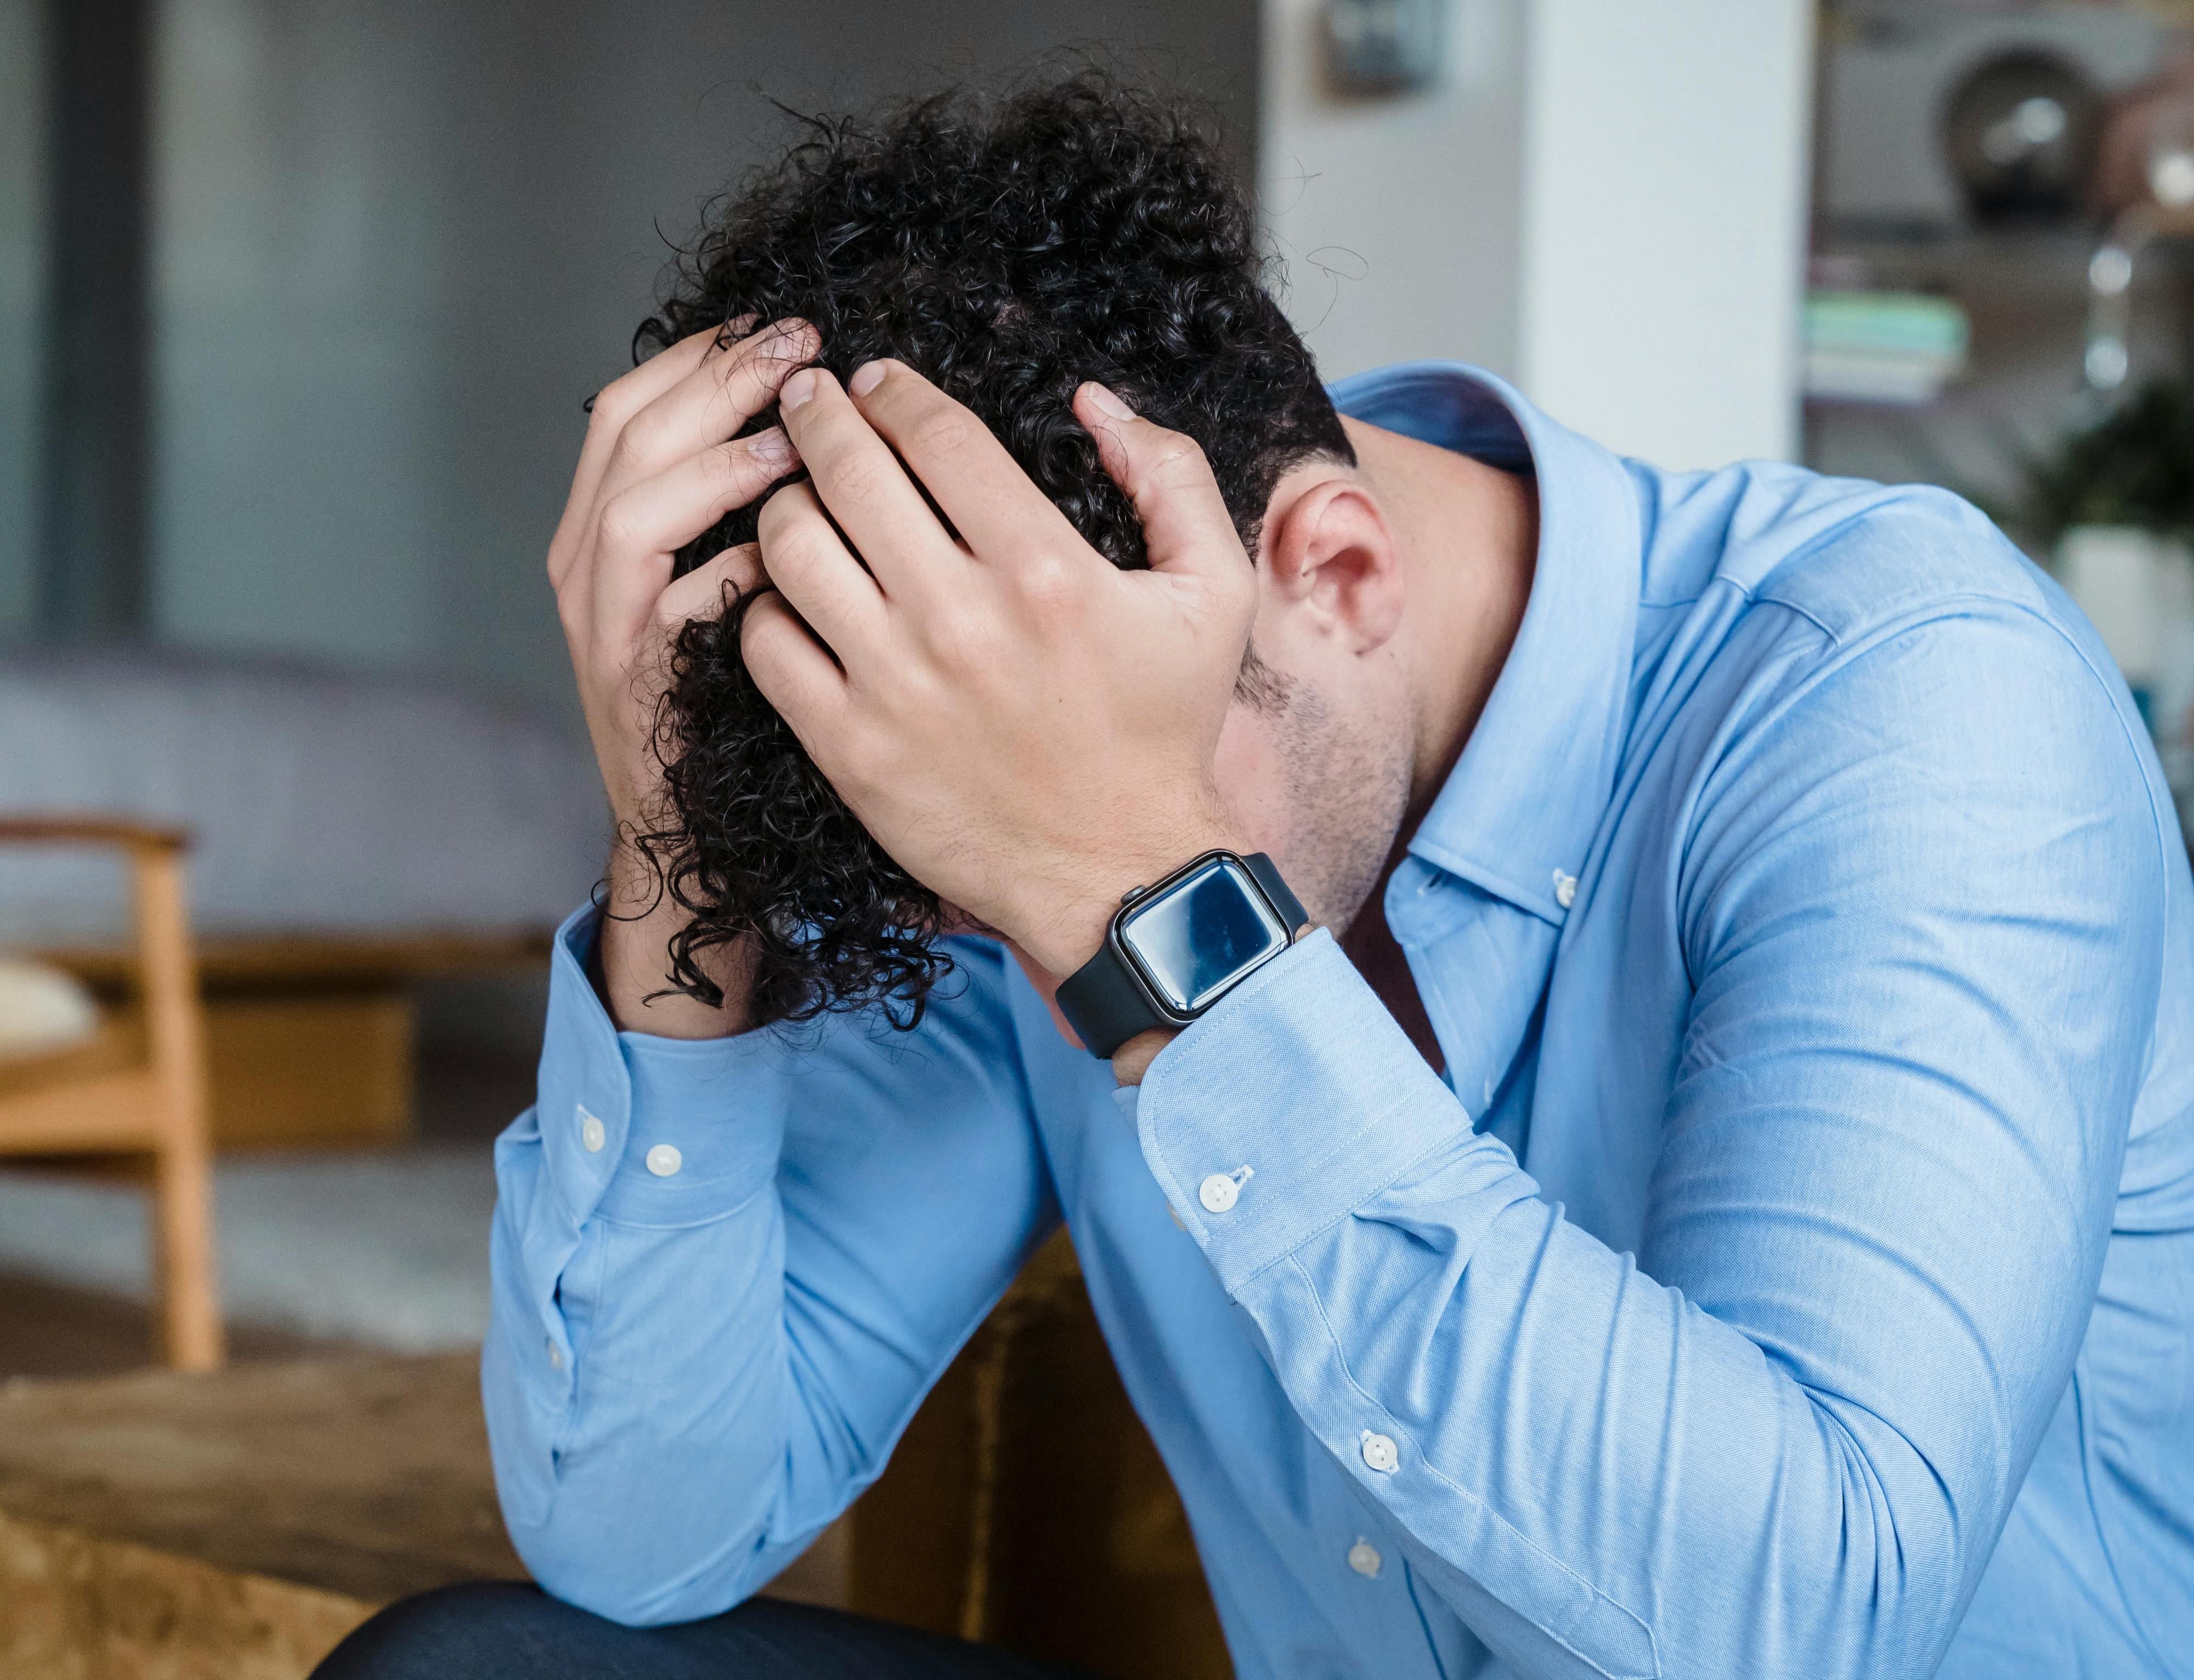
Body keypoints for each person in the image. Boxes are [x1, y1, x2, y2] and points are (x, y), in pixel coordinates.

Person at [318, 75, 2194, 1680]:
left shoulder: (1900, 696)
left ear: (1344, 576)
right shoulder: (1020, 763)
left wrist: (1151, 909)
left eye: (1032, 854)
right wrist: (680, 871)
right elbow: (649, 1523)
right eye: (960, 878)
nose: (1031, 964)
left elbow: (1808, 1615)